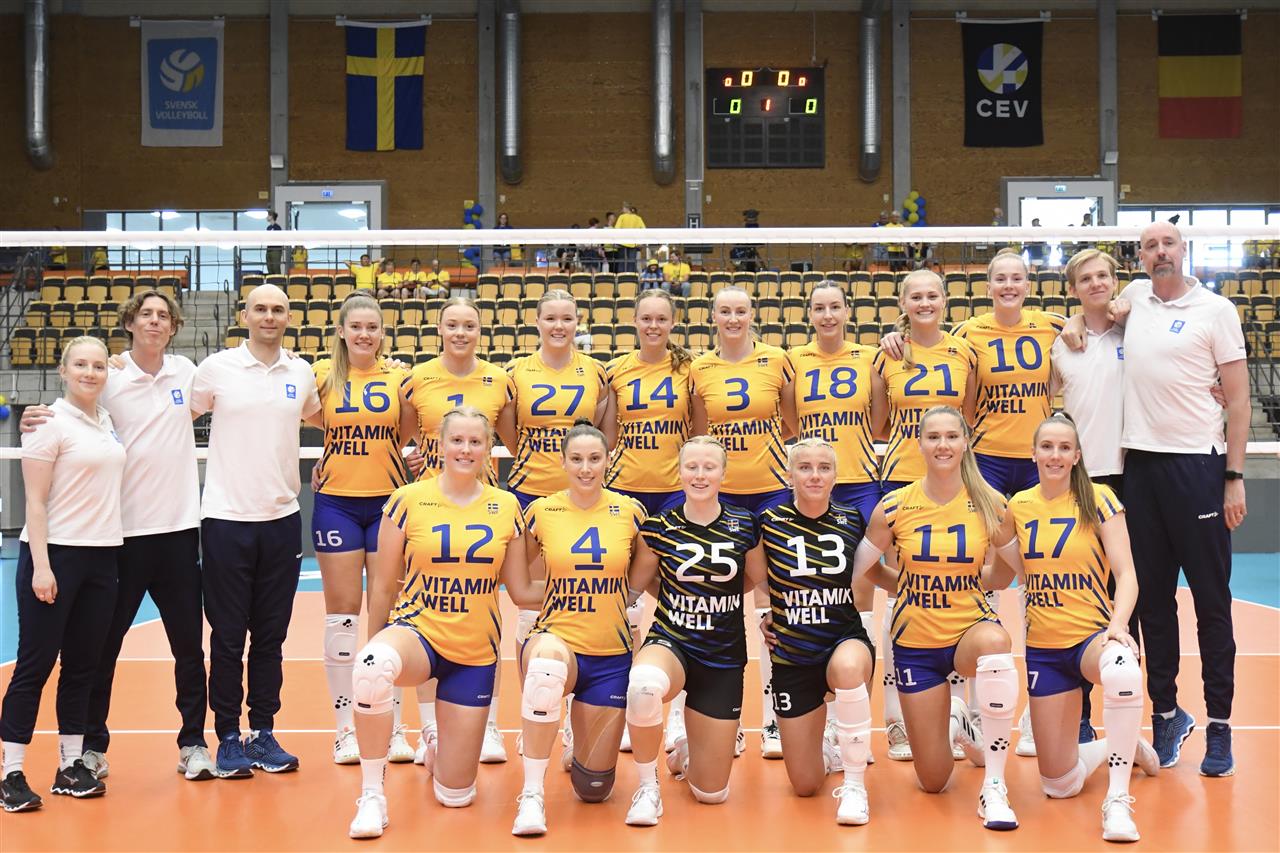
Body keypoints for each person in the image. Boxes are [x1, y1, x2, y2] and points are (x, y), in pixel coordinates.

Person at [17, 291, 214, 784]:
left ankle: (193, 743)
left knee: (189, 649)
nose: (154, 321)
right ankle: (90, 747)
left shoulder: (188, 374)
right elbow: (71, 407)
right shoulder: (110, 376)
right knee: (100, 649)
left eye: (163, 316)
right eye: (146, 314)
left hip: (177, 532)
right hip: (120, 537)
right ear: (130, 322)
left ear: (174, 326)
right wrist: (32, 415)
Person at [347, 408, 541, 839]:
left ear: (488, 448)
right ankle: (372, 795)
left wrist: (598, 587)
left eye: (475, 441)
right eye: (457, 440)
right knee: (372, 667)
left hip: (474, 653)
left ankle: (438, 749)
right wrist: (373, 645)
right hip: (418, 633)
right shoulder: (407, 500)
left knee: (456, 795)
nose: (465, 450)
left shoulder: (506, 506)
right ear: (440, 445)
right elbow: (383, 586)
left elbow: (522, 590)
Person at [986, 414, 1160, 843]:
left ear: (1077, 456)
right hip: (1045, 650)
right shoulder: (1018, 506)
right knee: (1059, 784)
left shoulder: (1099, 499)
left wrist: (1118, 625)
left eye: (1065, 448)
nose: (1055, 455)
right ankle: (1123, 746)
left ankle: (1117, 801)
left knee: (1123, 670)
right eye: (1047, 447)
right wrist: (947, 574)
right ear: (1033, 454)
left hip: (1090, 638)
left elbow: (1127, 573)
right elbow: (1002, 575)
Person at [1117, 221, 1248, 775]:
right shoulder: (1132, 299)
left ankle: (1220, 728)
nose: (1160, 252)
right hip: (1140, 468)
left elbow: (1238, 401)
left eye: (1168, 243)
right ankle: (1166, 715)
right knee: (1152, 604)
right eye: (1150, 246)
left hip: (1198, 466)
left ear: (1183, 249)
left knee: (1212, 603)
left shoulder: (1216, 310)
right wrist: (1074, 324)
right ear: (1141, 256)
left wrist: (1233, 476)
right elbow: (1088, 316)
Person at [853, 406, 1019, 831]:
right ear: (920, 444)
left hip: (968, 632)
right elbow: (862, 568)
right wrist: (903, 585)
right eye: (933, 437)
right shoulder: (895, 505)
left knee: (996, 645)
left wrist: (970, 582)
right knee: (933, 780)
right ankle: (957, 721)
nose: (942, 445)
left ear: (965, 442)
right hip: (916, 644)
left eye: (951, 436)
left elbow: (1006, 574)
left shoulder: (990, 503)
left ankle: (994, 784)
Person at [191, 283, 323, 778]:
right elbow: (168, 414)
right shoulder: (216, 368)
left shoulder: (301, 372)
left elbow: (333, 419)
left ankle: (263, 732)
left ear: (289, 317)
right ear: (244, 315)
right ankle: (228, 736)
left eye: (278, 309)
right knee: (227, 638)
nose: (269, 316)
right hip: (226, 520)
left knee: (270, 637)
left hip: (282, 521)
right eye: (261, 309)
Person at [1, 338, 124, 812]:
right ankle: (10, 773)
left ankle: (70, 766)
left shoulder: (106, 421)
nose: (90, 372)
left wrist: (119, 358)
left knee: (82, 667)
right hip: (54, 556)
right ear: (63, 370)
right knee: (34, 666)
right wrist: (42, 566)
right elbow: (34, 501)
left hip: (102, 557)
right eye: (81, 365)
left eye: (98, 365)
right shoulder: (47, 422)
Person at [512, 421, 646, 837]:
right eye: (576, 459)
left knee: (593, 790)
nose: (586, 468)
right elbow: (519, 587)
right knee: (547, 669)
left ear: (608, 461)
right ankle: (531, 794)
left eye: (594, 459)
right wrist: (563, 590)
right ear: (563, 462)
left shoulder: (630, 511)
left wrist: (616, 597)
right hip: (558, 639)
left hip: (609, 655)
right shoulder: (542, 511)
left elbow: (641, 579)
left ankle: (578, 733)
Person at [622, 437, 764, 826]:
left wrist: (716, 597)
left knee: (711, 794)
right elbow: (636, 588)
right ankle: (648, 788)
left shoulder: (745, 525)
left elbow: (757, 581)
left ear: (723, 473)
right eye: (692, 467)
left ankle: (686, 754)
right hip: (673, 641)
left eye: (709, 467)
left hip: (723, 655)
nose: (700, 475)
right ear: (679, 471)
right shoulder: (659, 527)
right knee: (644, 685)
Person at [401, 297, 517, 764]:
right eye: (453, 325)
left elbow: (517, 441)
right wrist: (414, 456)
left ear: (480, 331)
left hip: (482, 509)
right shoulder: (417, 378)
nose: (461, 333)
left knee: (486, 615)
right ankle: (429, 730)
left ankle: (489, 726)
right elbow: (398, 436)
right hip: (431, 508)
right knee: (425, 614)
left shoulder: (499, 379)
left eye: (469, 325)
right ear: (440, 329)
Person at [873, 269, 975, 760]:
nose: (925, 302)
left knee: (960, 592)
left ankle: (962, 713)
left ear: (945, 300)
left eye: (933, 295)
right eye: (916, 296)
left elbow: (968, 416)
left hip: (955, 485)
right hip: (901, 479)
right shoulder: (887, 354)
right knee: (903, 595)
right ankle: (896, 719)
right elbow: (878, 422)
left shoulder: (964, 351)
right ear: (903, 303)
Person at [690, 285, 796, 758]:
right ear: (713, 317)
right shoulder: (700, 368)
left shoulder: (776, 360)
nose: (733, 319)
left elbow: (792, 423)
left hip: (771, 491)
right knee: (717, 602)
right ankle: (722, 716)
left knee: (776, 600)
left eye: (740, 311)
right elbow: (700, 435)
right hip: (722, 496)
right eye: (725, 311)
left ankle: (776, 716)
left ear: (753, 315)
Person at [309, 293, 415, 765]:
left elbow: (406, 431)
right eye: (356, 327)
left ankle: (393, 726)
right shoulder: (321, 376)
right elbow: (318, 421)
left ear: (382, 333)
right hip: (337, 503)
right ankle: (344, 729)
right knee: (343, 615)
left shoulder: (399, 378)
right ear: (341, 331)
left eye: (373, 327)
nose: (364, 334)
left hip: (388, 502)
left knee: (388, 614)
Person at [757, 439, 883, 826]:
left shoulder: (851, 519)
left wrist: (918, 586)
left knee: (848, 668)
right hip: (793, 656)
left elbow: (874, 575)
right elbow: (752, 577)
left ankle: (856, 785)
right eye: (805, 467)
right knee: (805, 784)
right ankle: (830, 751)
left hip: (843, 639)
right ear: (789, 475)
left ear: (835, 476)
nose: (815, 475)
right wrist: (770, 613)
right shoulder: (768, 522)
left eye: (824, 468)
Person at [791, 282, 887, 748]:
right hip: (813, 483)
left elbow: (881, 419)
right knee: (812, 591)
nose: (827, 315)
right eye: (819, 308)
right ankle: (821, 714)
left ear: (848, 311)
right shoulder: (794, 360)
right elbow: (789, 421)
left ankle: (858, 719)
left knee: (859, 592)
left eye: (835, 307)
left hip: (859, 482)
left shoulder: (870, 358)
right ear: (808, 314)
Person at [604, 289, 696, 748]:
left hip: (675, 492)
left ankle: (678, 715)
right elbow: (606, 436)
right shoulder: (616, 371)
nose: (654, 326)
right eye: (646, 318)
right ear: (635, 322)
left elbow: (700, 432)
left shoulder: (690, 370)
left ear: (672, 323)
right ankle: (624, 703)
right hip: (627, 491)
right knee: (626, 599)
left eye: (662, 318)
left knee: (684, 598)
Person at [952, 249, 1065, 495]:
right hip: (986, 455)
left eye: (1016, 278)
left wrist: (1078, 322)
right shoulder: (968, 331)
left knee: (1037, 520)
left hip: (1038, 453)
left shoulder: (1051, 325)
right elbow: (932, 349)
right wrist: (898, 336)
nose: (1009, 286)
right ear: (988, 288)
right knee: (987, 520)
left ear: (1027, 286)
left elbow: (1090, 328)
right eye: (1000, 279)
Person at [498, 290, 611, 511]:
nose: (559, 326)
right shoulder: (514, 371)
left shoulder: (596, 371)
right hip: (527, 489)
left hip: (584, 490)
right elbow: (509, 435)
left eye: (567, 319)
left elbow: (595, 430)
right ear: (537, 322)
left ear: (577, 322)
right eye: (550, 318)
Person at [614, 203, 646, 272]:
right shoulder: (638, 218)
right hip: (633, 243)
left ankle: (621, 276)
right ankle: (631, 276)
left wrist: (616, 241)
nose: (622, 210)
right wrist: (640, 242)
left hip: (622, 242)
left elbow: (617, 229)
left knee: (621, 261)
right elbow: (643, 229)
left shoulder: (622, 217)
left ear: (626, 209)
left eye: (623, 208)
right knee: (632, 261)